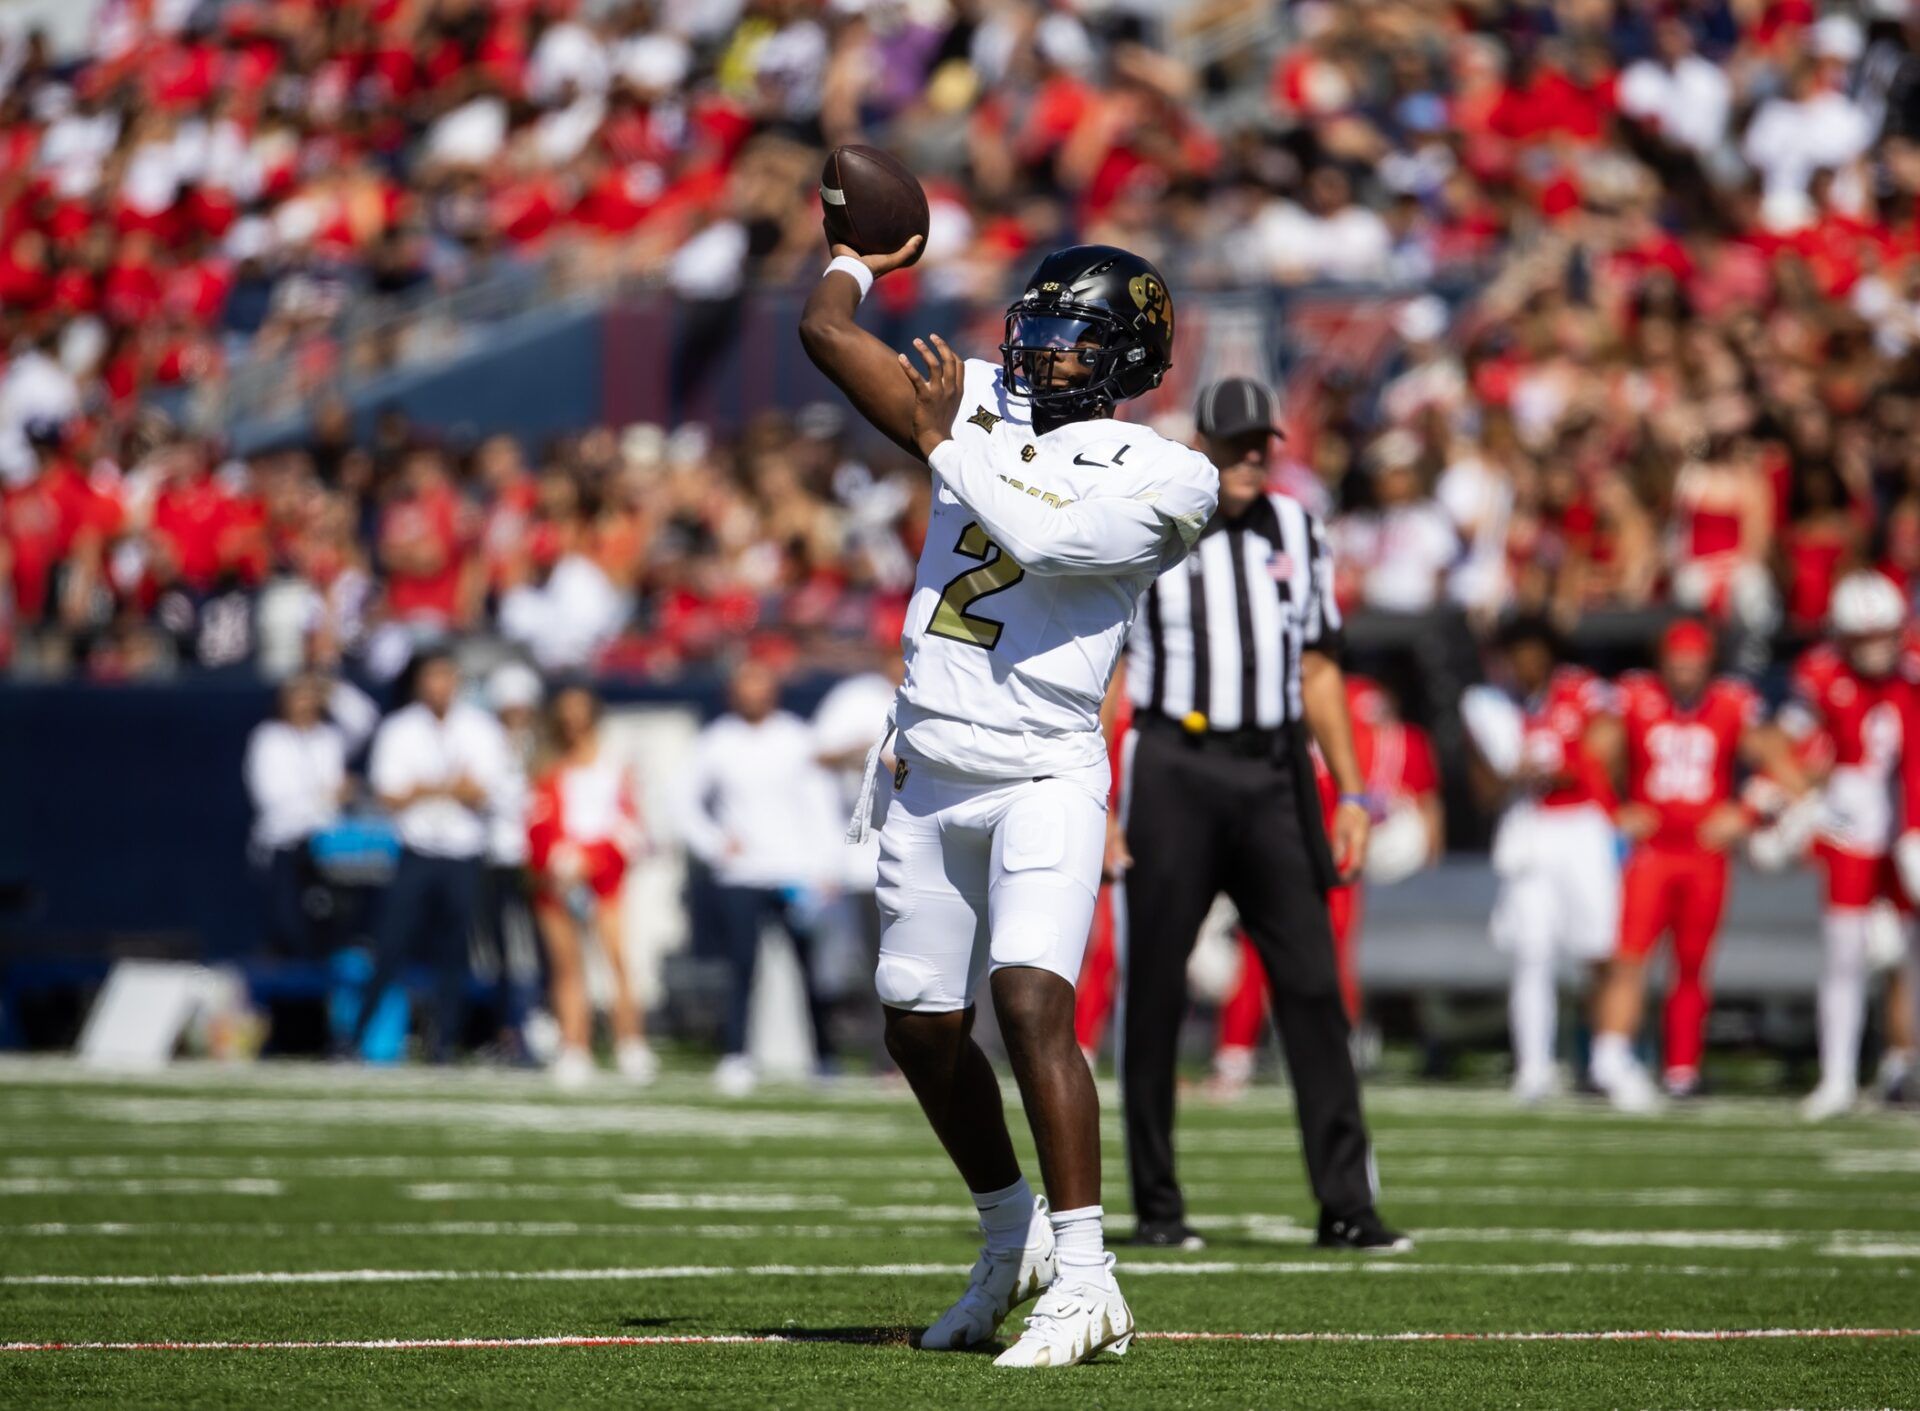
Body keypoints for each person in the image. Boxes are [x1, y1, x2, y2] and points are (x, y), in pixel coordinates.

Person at [800, 235, 1217, 1366]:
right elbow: (829, 337)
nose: (1035, 351)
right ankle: (1010, 1235)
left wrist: (943, 437)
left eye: (1069, 337)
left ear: (1129, 361)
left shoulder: (1171, 476)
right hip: (928, 765)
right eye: (1029, 326)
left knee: (1032, 1001)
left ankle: (1088, 1280)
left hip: (1045, 771)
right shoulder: (978, 399)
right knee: (918, 1025)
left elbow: (1040, 533)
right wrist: (854, 256)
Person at [1117, 375, 1408, 1255]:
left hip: (1276, 769)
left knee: (1313, 986)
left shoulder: (1298, 528)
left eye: (1260, 444)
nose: (1249, 456)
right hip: (1176, 762)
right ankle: (1158, 1205)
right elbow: (1110, 672)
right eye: (1234, 441)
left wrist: (1352, 790)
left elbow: (1321, 670)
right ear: (1202, 441)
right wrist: (1101, 801)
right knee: (1158, 988)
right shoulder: (1153, 521)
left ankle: (1347, 1203)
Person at [1588, 620, 1805, 1110]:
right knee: (1629, 956)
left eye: (1692, 663)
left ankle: (1682, 1069)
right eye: (1676, 662)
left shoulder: (1731, 703)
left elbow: (1780, 758)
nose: (1684, 672)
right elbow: (1592, 750)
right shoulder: (1637, 696)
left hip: (1705, 851)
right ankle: (1611, 1055)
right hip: (1653, 849)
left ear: (1708, 664)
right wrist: (1615, 809)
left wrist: (1746, 813)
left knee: (1692, 964)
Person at [1212, 674, 1443, 1092]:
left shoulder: (1371, 726)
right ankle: (1247, 1056)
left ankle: (1310, 1054)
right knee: (1268, 952)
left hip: (1326, 849)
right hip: (1294, 843)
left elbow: (1420, 804)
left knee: (1321, 954)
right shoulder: (1305, 715)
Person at [1461, 616, 1621, 1103]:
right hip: (1529, 829)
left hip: (1582, 827)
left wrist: (1563, 768)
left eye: (1533, 653)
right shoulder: (1490, 707)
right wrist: (1516, 774)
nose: (1526, 664)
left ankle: (1608, 1060)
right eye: (1516, 655)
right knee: (1532, 952)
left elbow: (1609, 749)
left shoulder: (1583, 691)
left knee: (1599, 949)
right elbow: (1485, 788)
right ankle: (1534, 1067)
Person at [1783, 573, 1920, 1119]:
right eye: (1862, 637)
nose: (1874, 648)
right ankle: (1837, 1075)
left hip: (1905, 819)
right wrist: (1795, 802)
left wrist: (1914, 833)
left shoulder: (1910, 674)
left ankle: (1903, 1063)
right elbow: (1787, 741)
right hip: (1847, 822)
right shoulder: (1820, 675)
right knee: (1844, 954)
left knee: (1911, 955)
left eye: (1882, 635)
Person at [677, 659, 843, 1097]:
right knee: (741, 967)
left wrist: (825, 867)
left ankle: (823, 1057)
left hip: (795, 873)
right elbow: (685, 804)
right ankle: (736, 1055)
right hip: (741, 874)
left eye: (761, 684)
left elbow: (820, 805)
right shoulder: (716, 742)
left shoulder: (797, 736)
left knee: (810, 968)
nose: (754, 694)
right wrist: (715, 844)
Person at [357, 647, 504, 1061]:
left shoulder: (479, 728)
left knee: (454, 951)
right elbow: (390, 794)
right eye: (432, 677)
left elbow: (481, 791)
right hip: (416, 850)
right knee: (390, 944)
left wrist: (424, 788)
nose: (440, 686)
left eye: (446, 676)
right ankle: (357, 1038)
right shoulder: (399, 729)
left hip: (462, 852)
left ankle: (443, 1043)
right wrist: (448, 787)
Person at [527, 682, 657, 1087]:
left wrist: (592, 860)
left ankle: (629, 1042)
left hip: (604, 877)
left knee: (617, 960)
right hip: (558, 880)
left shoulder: (614, 768)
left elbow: (630, 827)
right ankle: (574, 1045)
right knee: (567, 967)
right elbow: (536, 824)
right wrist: (556, 864)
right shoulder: (546, 770)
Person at [243, 671, 353, 955]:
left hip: (327, 849)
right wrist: (326, 799)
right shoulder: (268, 739)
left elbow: (365, 721)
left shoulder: (329, 737)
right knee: (288, 925)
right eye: (298, 695)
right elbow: (272, 801)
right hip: (284, 846)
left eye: (310, 695)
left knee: (331, 924)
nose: (304, 702)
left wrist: (332, 686)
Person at [478, 660, 545, 1061]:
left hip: (535, 859)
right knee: (498, 953)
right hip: (494, 857)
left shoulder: (543, 746)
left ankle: (543, 1026)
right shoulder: (483, 743)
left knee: (544, 947)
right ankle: (505, 1032)